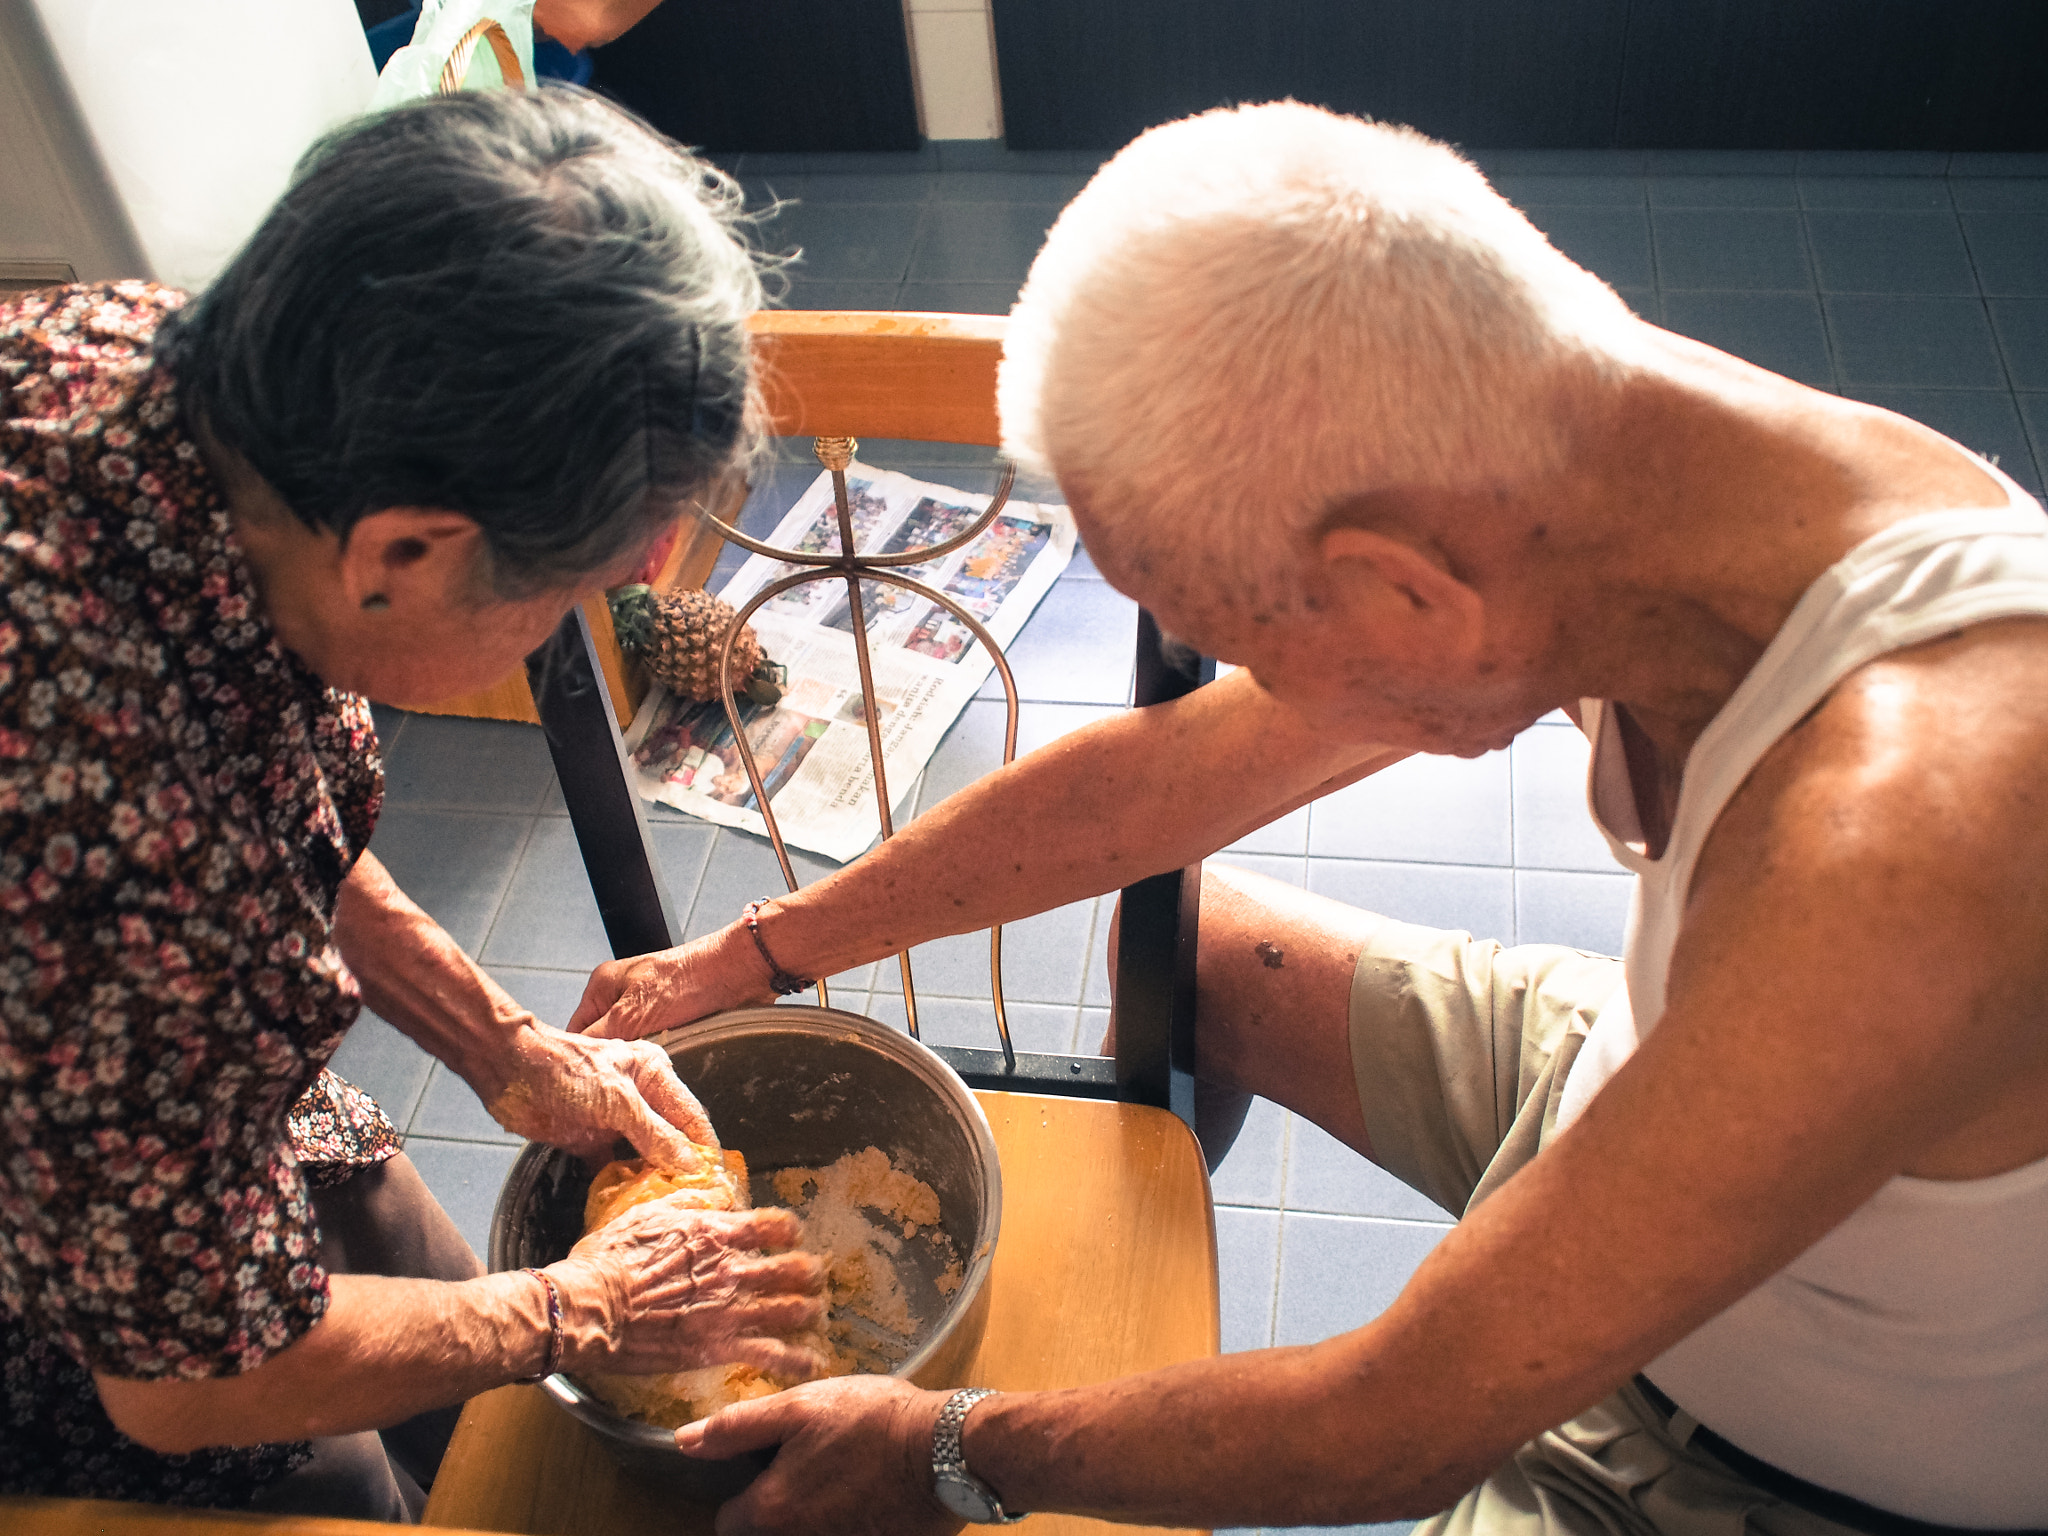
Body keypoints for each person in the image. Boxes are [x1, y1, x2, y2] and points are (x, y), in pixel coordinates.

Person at [566, 102, 2048, 1534]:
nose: (1267, 695)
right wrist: (758, 953)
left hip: (1770, 1465)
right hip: (1640, 1062)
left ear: (1410, 590)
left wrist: (948, 1448)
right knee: (1215, 957)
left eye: (1263, 645)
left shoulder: (1899, 849)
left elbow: (1395, 1424)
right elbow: (1163, 783)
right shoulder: (1618, 468)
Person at [0, 87, 823, 1520]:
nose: (579, 625)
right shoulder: (110, 841)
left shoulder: (168, 375)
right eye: (574, 597)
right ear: (405, 549)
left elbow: (273, 818)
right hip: (64, 1277)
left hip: (151, 1083)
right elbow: (187, 1381)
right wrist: (570, 1314)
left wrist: (506, 1045)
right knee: (353, 1484)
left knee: (451, 1348)